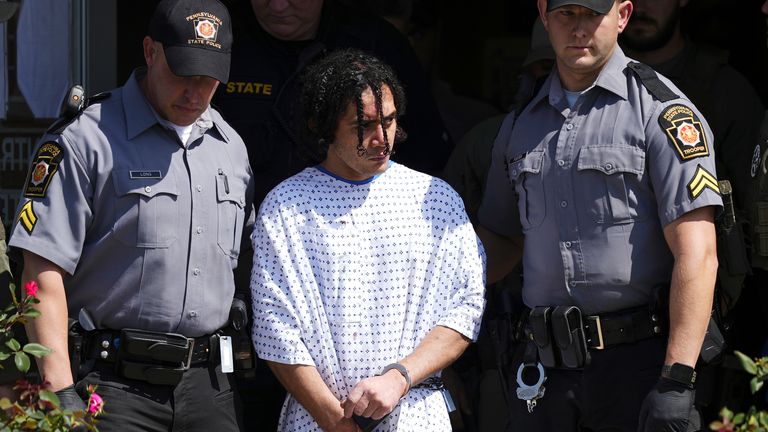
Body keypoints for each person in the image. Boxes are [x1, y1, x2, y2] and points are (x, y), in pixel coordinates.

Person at [7, 0, 254, 430]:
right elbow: (41, 272)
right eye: (182, 73)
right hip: (113, 389)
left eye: (209, 78)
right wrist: (60, 395)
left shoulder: (230, 147)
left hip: (210, 388)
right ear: (149, 51)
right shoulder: (86, 139)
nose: (195, 92)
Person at [477, 0, 722, 431]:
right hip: (544, 371)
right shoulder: (519, 126)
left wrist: (677, 380)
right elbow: (501, 242)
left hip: (639, 365)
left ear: (623, 16)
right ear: (542, 14)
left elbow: (698, 255)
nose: (579, 30)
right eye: (566, 14)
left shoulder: (662, 112)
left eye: (593, 14)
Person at [250, 48, 486, 432]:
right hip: (317, 421)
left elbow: (464, 309)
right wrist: (333, 419)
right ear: (325, 125)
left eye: (389, 122)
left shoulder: (434, 199)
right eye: (363, 126)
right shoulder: (286, 208)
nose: (382, 138)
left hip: (415, 415)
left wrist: (399, 378)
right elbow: (275, 330)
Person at [212, 0, 452, 208]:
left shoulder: (376, 44)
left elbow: (424, 153)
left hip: (355, 229)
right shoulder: (220, 38)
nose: (278, 6)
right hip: (238, 230)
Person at [620, 0, 764, 318]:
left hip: (710, 301)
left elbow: (755, 209)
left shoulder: (724, 90)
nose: (641, 6)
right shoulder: (581, 89)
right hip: (612, 312)